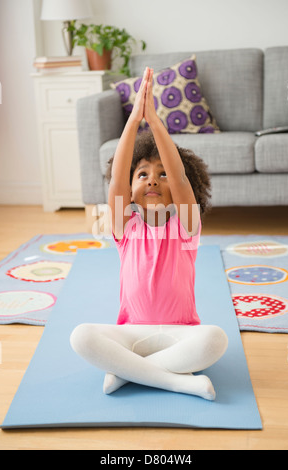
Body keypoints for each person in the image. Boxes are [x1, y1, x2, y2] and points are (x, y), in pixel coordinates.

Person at [70, 67, 228, 400]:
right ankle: (177, 380)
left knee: (215, 339)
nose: (153, 180)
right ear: (130, 188)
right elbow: (115, 181)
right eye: (142, 174)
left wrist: (155, 122)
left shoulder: (185, 226)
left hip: (180, 336)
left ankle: (129, 374)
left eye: (161, 175)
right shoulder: (125, 228)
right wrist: (132, 122)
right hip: (131, 335)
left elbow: (181, 179)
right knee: (81, 337)